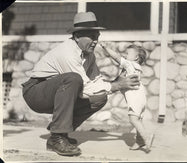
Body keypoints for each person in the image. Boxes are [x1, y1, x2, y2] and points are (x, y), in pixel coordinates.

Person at [22, 12, 141, 156]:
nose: (95, 41)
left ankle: (60, 133)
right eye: (91, 37)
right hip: (35, 93)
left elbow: (96, 81)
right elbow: (85, 86)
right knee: (73, 79)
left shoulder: (89, 55)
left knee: (100, 98)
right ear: (77, 36)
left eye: (97, 37)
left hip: (57, 92)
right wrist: (116, 86)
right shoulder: (67, 52)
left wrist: (116, 82)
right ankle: (57, 137)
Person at [100, 43, 154, 152]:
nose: (124, 56)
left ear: (136, 58)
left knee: (133, 119)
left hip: (135, 95)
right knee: (138, 119)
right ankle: (140, 140)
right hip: (140, 95)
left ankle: (146, 137)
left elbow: (116, 57)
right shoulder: (137, 67)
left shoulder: (130, 64)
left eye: (127, 54)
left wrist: (106, 48)